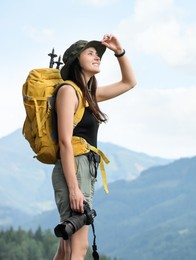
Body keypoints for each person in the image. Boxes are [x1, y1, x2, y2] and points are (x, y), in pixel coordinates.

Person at [52, 34, 136, 260]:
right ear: (75, 61)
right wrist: (73, 188)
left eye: (97, 53)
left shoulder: (88, 95)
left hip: (84, 169)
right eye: (90, 53)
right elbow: (64, 142)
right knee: (77, 248)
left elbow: (129, 82)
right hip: (75, 171)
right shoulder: (68, 91)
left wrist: (119, 52)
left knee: (66, 248)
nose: (97, 56)